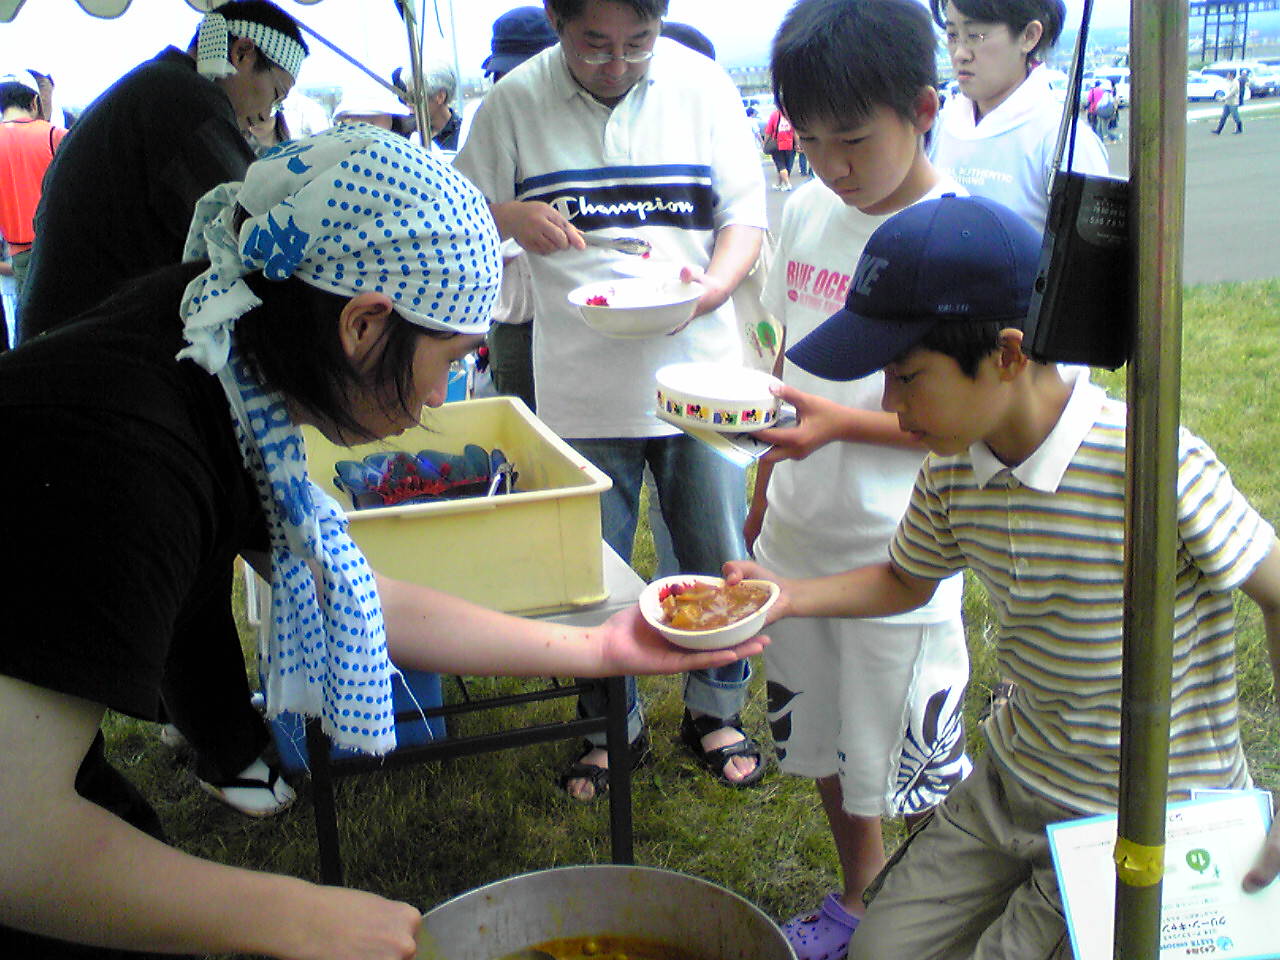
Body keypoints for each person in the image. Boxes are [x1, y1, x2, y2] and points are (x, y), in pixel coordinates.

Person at [0, 122, 767, 960]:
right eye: (449, 360)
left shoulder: (224, 352)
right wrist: (297, 918)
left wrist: (597, 648)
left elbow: (360, 594)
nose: (440, 398)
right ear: (364, 325)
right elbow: (20, 843)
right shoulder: (130, 456)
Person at [725, 193, 1280, 959]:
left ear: (1010, 355)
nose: (889, 404)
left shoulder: (1152, 465)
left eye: (907, 376)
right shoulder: (953, 467)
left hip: (1144, 809)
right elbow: (906, 579)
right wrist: (786, 597)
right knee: (883, 951)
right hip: (1014, 781)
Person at [454, 0, 768, 802]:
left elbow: (745, 217)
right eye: (594, 45)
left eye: (638, 43)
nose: (617, 65)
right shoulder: (514, 103)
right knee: (592, 569)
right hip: (580, 382)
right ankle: (606, 725)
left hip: (698, 378)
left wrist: (713, 290)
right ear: (556, 21)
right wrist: (508, 216)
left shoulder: (702, 87)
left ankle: (715, 710)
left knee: (714, 547)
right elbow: (453, 210)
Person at [16, 0, 310, 819]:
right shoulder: (182, 104)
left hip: (85, 358)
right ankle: (227, 749)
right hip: (93, 381)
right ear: (241, 53)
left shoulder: (157, 93)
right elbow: (255, 232)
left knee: (183, 550)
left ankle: (199, 719)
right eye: (274, 89)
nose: (267, 110)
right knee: (186, 548)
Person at [746, 4, 970, 957]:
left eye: (853, 139)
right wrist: (764, 488)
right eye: (810, 140)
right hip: (798, 537)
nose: (833, 166)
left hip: (900, 558)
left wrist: (839, 424)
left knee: (914, 768)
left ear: (922, 109)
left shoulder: (956, 238)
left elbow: (964, 423)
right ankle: (860, 894)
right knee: (828, 744)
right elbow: (787, 357)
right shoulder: (805, 209)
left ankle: (940, 921)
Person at [928, 0, 1109, 235]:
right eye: (952, 35)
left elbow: (1088, 250)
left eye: (975, 35)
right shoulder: (941, 125)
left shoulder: (1064, 142)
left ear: (1029, 36)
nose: (960, 54)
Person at [476, 5, 560, 415]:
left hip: (577, 321)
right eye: (502, 74)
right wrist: (509, 222)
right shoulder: (489, 121)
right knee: (526, 433)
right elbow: (458, 217)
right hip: (514, 320)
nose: (510, 84)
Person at [0, 70, 66, 345]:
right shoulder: (55, 135)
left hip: (19, 255)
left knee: (29, 330)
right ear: (34, 102)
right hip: (60, 246)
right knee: (67, 323)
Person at [764, 105, 796, 191]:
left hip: (777, 144)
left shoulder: (775, 115)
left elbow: (768, 131)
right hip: (790, 143)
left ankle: (787, 184)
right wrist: (797, 144)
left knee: (781, 166)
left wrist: (765, 142)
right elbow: (795, 131)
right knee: (787, 165)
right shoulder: (791, 115)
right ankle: (780, 184)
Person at [1211, 68, 1245, 135]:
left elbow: (1232, 93)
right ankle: (1218, 130)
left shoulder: (1235, 83)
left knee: (1235, 117)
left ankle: (1239, 129)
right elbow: (1227, 91)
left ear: (1231, 75)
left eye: (1228, 75)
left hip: (1233, 103)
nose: (1227, 76)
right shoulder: (1229, 82)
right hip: (1228, 102)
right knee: (1223, 116)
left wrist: (1223, 98)